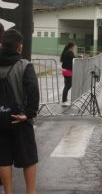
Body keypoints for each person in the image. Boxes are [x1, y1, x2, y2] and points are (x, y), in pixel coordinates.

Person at [0, 29, 40, 194]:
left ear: (2, 45)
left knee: (3, 159)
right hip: (20, 120)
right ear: (20, 47)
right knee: (28, 159)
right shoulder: (24, 65)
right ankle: (30, 192)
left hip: (0, 121)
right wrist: (29, 114)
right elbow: (33, 91)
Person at [60, 42, 76, 107]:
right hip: (68, 71)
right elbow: (75, 59)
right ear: (71, 46)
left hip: (65, 71)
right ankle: (64, 101)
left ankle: (64, 100)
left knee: (67, 85)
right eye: (73, 47)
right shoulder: (70, 53)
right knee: (67, 86)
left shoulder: (66, 52)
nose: (74, 48)